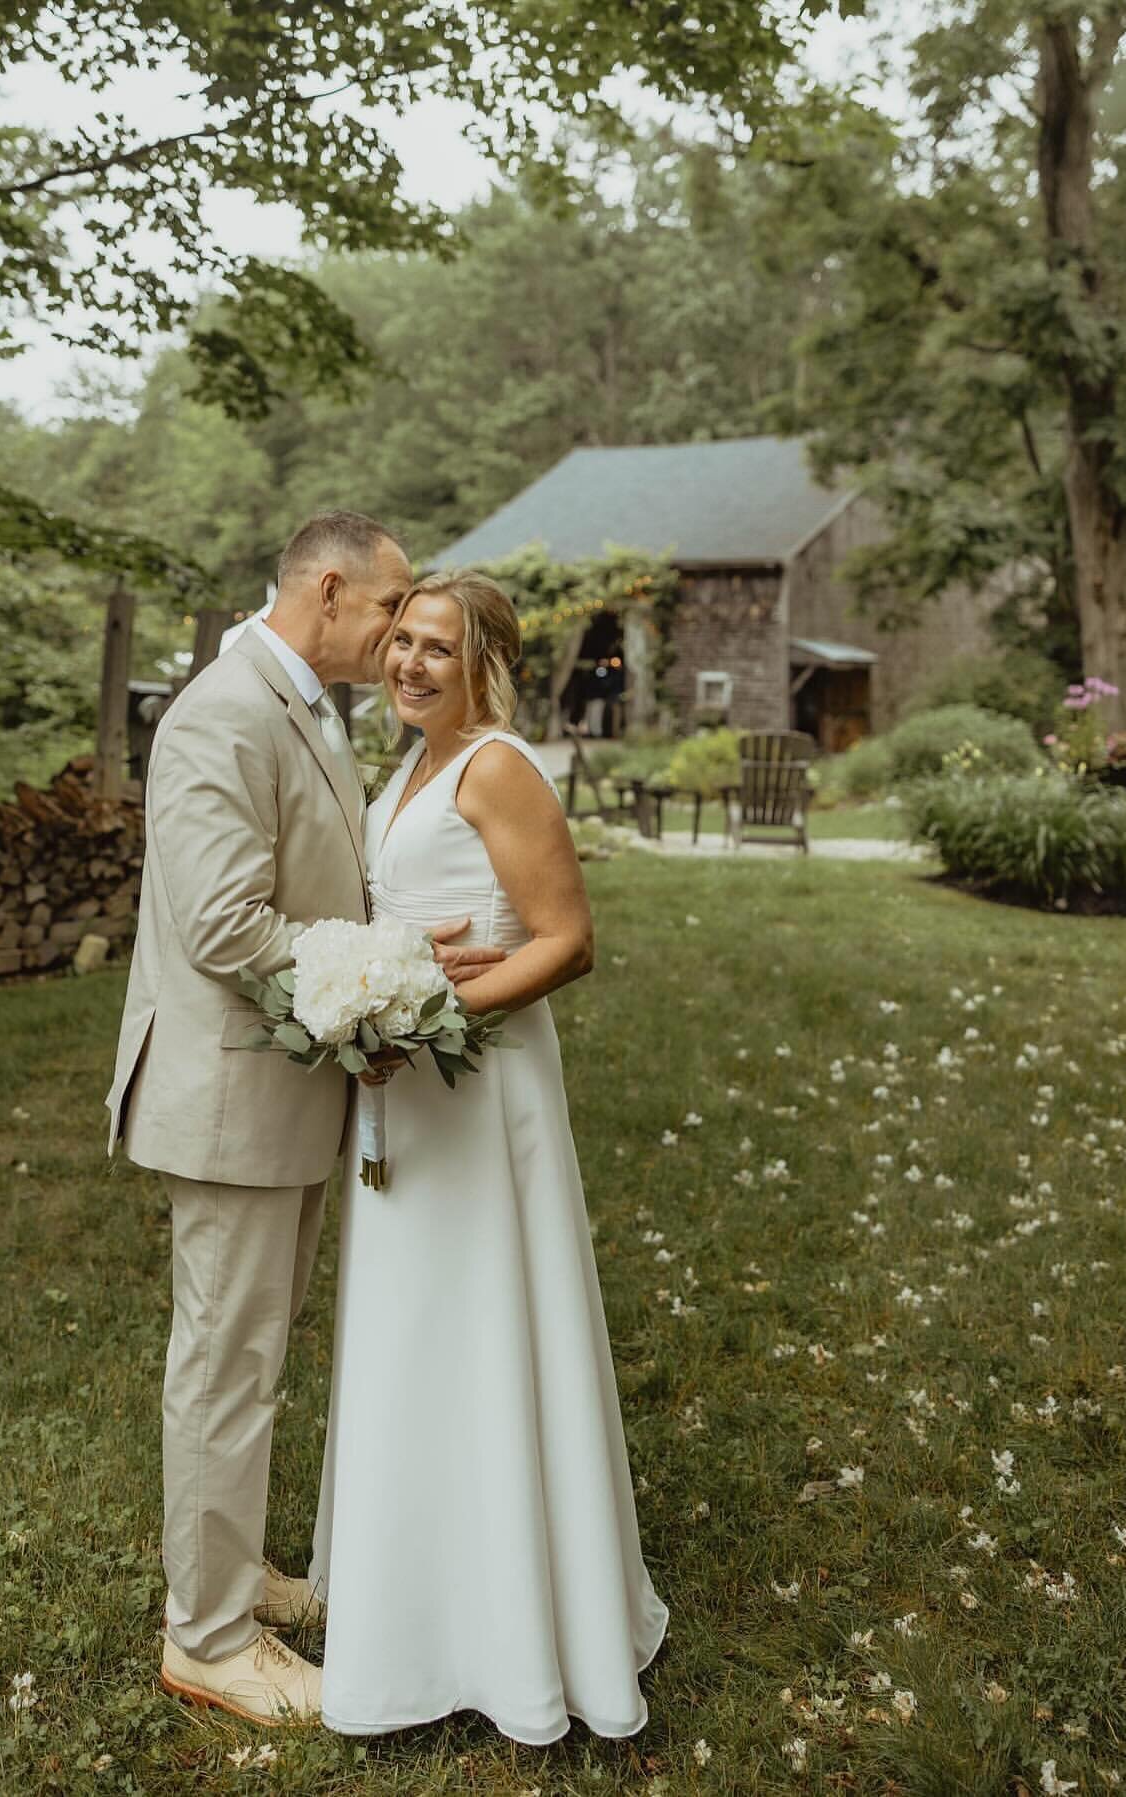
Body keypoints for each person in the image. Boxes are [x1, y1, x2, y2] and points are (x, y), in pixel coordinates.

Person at [103, 513, 505, 1725]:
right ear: (329, 592)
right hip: (229, 1093)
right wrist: (379, 966)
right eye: (388, 614)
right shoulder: (223, 714)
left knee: (254, 1354)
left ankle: (234, 1575)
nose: (395, 642)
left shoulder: (297, 704)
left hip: (280, 1088)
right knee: (227, 1364)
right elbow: (227, 927)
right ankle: (209, 1641)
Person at [311, 568, 669, 1745]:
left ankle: (519, 1635)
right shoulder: (407, 762)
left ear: (485, 664)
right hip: (406, 1094)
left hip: (479, 1085)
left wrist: (426, 1020)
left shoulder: (496, 766)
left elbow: (567, 941)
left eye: (438, 649)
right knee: (415, 1336)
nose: (411, 663)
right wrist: (370, 1002)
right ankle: (415, 1615)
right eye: (402, 640)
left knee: (489, 1327)